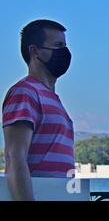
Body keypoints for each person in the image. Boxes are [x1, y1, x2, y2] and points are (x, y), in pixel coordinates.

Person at [2, 20, 74, 201]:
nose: (65, 52)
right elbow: (14, 157)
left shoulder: (52, 99)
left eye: (65, 46)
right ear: (34, 51)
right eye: (58, 46)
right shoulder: (25, 92)